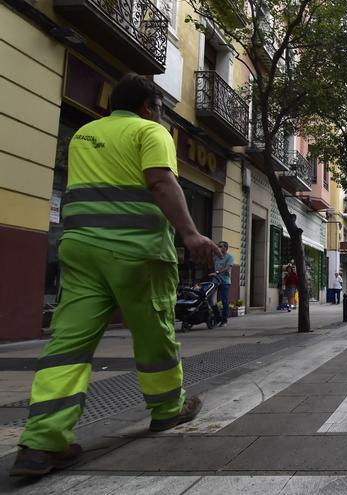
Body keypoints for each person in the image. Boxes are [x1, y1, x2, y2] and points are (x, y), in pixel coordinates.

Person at [11, 74, 218, 477]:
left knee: (68, 345)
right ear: (148, 107)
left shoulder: (83, 135)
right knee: (154, 333)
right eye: (158, 108)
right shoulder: (150, 132)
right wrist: (190, 234)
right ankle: (167, 409)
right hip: (137, 252)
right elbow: (160, 182)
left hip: (81, 251)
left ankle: (40, 442)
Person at [210, 241, 234, 327]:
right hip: (215, 281)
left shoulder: (229, 257)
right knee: (212, 300)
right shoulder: (215, 257)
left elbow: (227, 267)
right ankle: (218, 317)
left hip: (225, 282)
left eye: (220, 246)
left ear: (226, 248)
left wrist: (217, 272)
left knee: (224, 301)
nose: (218, 248)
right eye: (218, 246)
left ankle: (224, 321)